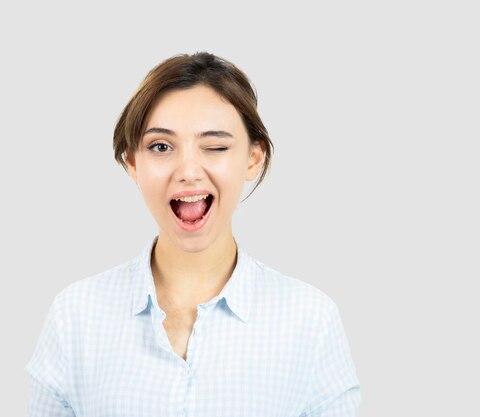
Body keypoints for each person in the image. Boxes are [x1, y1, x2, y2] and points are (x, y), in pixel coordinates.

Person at [24, 52, 361, 416]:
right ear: (133, 162)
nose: (188, 171)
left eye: (215, 147)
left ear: (253, 158)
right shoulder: (76, 316)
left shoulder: (310, 320)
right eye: (161, 147)